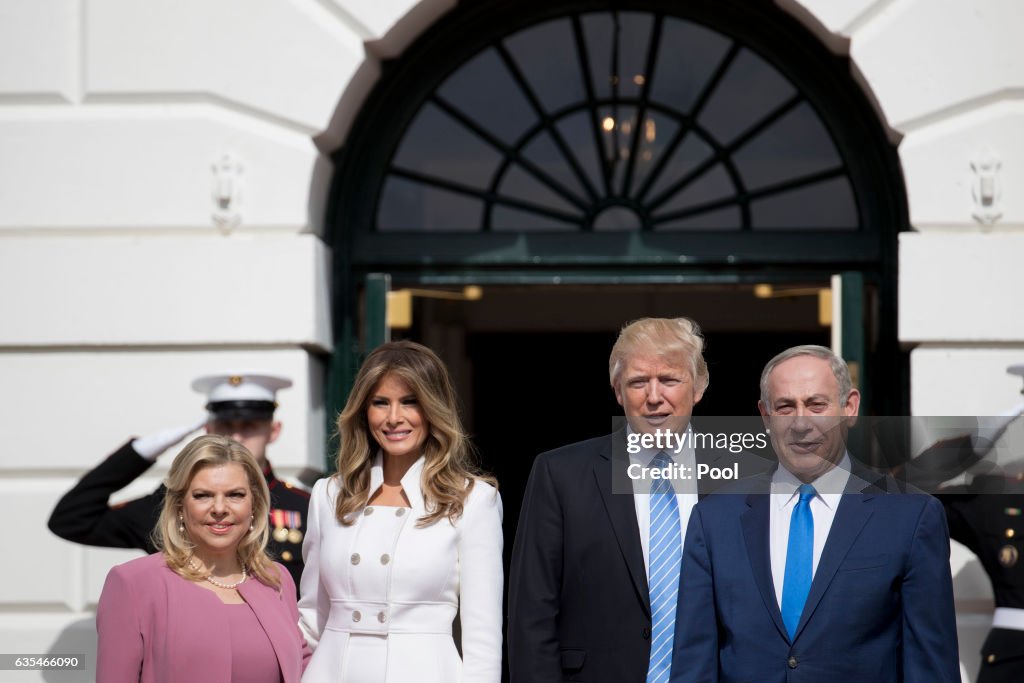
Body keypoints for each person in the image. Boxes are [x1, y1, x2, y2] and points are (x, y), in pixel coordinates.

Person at [671, 345, 960, 683]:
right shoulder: (714, 519)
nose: (801, 423)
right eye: (785, 406)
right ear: (765, 416)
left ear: (850, 407)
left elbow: (930, 667)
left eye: (816, 404)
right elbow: (694, 664)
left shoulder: (909, 516)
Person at [508, 317, 761, 683]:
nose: (654, 397)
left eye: (670, 380)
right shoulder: (560, 474)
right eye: (638, 382)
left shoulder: (746, 477)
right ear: (617, 391)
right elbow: (532, 612)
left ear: (699, 387)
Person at [299, 340, 503, 682]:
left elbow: (482, 638)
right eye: (381, 403)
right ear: (364, 411)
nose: (394, 418)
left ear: (433, 408)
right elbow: (311, 619)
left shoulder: (473, 500)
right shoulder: (329, 495)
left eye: (410, 402)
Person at [48, 371, 311, 590]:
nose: (237, 437)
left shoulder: (304, 507)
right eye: (226, 426)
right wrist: (142, 451)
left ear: (273, 431)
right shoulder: (174, 504)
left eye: (250, 426)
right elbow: (72, 519)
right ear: (208, 430)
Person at [96, 434, 311, 682]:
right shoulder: (133, 583)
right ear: (179, 506)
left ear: (254, 505)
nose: (219, 508)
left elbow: (304, 669)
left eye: (235, 495)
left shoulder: (276, 578)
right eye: (202, 495)